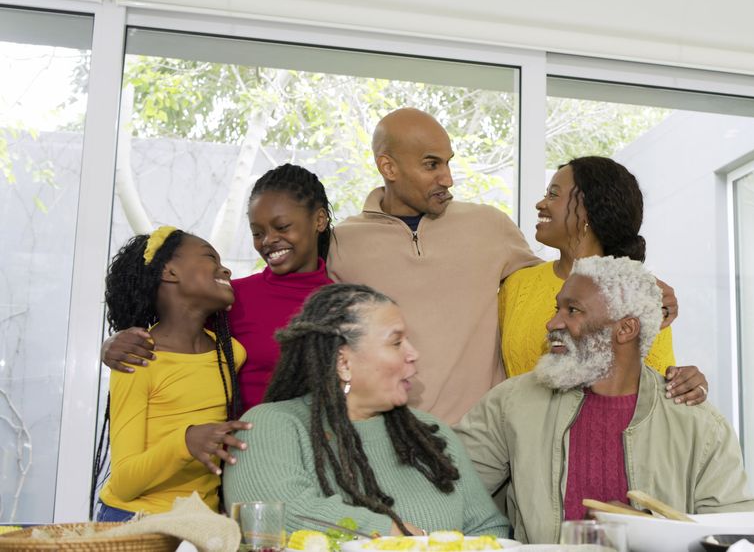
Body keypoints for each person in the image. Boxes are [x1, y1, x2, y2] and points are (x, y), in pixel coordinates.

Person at [329, 108, 696, 422]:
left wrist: (646, 290)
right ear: (387, 166)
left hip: (485, 442)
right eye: (431, 164)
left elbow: (573, 283)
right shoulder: (342, 243)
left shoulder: (489, 226)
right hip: (386, 433)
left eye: (447, 163)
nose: (448, 178)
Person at [455, 256, 754, 544]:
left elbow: (735, 541)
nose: (553, 323)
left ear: (625, 329)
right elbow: (447, 493)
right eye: (557, 308)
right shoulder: (512, 403)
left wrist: (645, 530)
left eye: (572, 310)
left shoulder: (700, 425)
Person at [223, 283, 509, 538]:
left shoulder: (431, 433)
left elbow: (487, 528)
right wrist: (392, 534)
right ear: (343, 363)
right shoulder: (271, 425)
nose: (413, 353)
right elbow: (274, 514)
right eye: (396, 342)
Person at [101, 164, 335, 413]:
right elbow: (167, 335)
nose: (268, 240)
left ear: (319, 220)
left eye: (282, 227)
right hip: (244, 446)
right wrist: (113, 344)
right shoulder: (232, 298)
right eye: (257, 233)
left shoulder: (347, 304)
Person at [500, 156, 706, 404]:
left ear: (589, 209)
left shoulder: (637, 295)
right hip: (517, 437)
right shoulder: (518, 284)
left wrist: (690, 383)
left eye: (553, 195)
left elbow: (657, 389)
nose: (541, 204)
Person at [93, 226, 249, 520]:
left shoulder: (230, 353)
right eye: (209, 258)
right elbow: (125, 482)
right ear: (169, 271)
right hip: (135, 520)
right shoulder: (139, 359)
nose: (225, 269)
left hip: (200, 522)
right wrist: (186, 442)